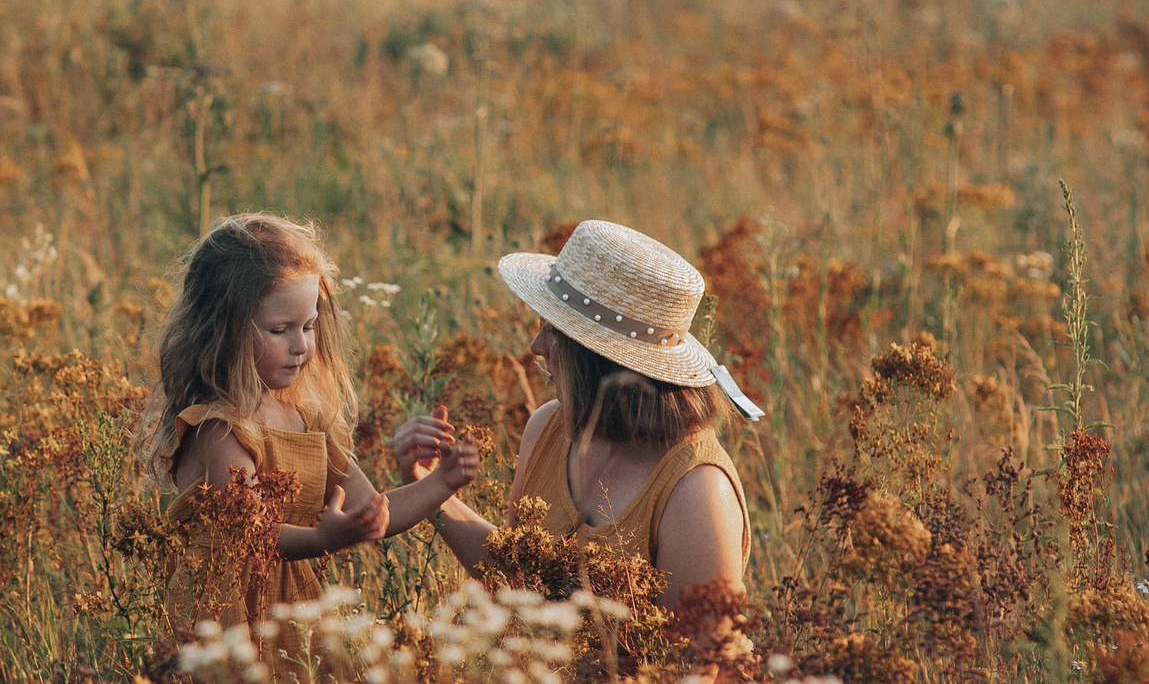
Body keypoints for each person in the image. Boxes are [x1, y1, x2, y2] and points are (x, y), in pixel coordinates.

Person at [391, 219, 763, 603]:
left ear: (595, 357)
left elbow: (705, 659)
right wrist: (431, 490)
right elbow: (517, 580)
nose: (536, 345)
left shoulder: (697, 492)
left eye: (552, 329)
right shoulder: (548, 428)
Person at [146, 213, 480, 636]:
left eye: (308, 326)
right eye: (280, 329)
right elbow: (254, 534)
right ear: (224, 331)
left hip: (290, 614)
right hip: (223, 619)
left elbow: (375, 511)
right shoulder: (219, 428)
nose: (301, 345)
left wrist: (442, 482)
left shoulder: (309, 421)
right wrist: (323, 540)